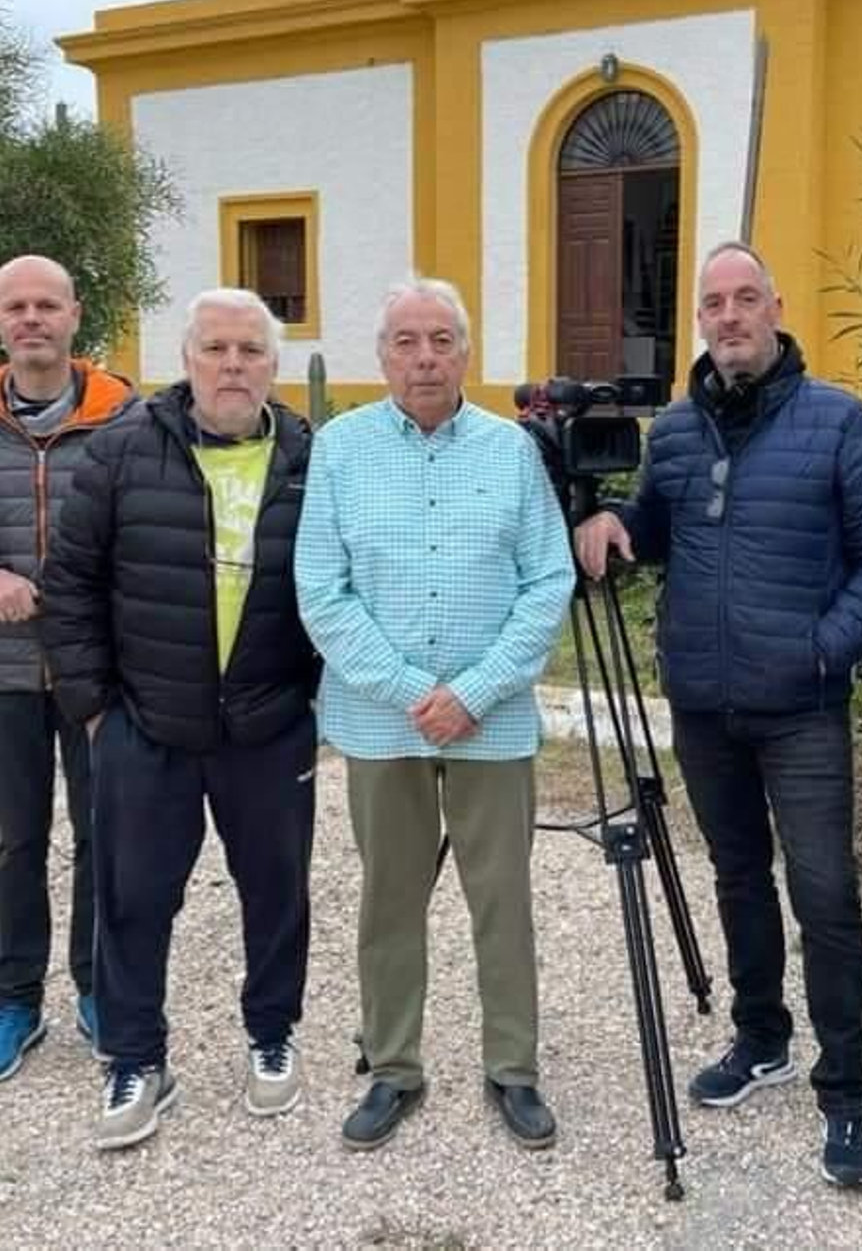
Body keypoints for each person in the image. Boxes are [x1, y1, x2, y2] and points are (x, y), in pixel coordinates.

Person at [574, 240, 862, 1188]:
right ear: (700, 321)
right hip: (704, 702)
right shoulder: (678, 431)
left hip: (802, 707)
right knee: (737, 877)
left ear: (775, 306)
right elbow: (652, 525)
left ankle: (845, 1095)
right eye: (711, 305)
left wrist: (822, 646)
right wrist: (613, 524)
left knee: (827, 897)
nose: (727, 317)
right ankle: (760, 1035)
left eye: (743, 300)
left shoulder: (840, 423)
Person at [295, 276, 574, 1154]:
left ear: (466, 352)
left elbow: (548, 581)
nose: (425, 357)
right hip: (382, 721)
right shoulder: (339, 450)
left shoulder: (511, 451)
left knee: (503, 900)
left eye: (441, 340)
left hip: (491, 720)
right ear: (382, 355)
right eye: (407, 341)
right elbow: (321, 591)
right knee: (388, 899)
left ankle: (514, 1068)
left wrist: (475, 691)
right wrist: (412, 689)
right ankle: (393, 1067)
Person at [41, 288, 319, 1151]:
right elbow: (70, 586)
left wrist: (314, 694)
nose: (232, 365)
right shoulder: (123, 450)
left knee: (276, 892)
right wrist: (93, 710)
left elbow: (344, 580)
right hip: (146, 726)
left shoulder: (315, 458)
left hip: (269, 727)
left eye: (250, 351)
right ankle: (136, 1057)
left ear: (273, 366)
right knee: (132, 898)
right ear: (187, 359)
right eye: (215, 349)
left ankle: (271, 1035)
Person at [0, 255, 138, 1084]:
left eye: (46, 304)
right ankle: (15, 999)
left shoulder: (127, 418)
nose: (32, 319)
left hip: (99, 672)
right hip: (7, 671)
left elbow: (150, 529)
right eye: (16, 306)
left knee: (104, 837)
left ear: (73, 315)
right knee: (20, 838)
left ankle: (99, 990)